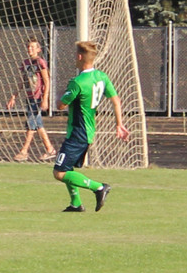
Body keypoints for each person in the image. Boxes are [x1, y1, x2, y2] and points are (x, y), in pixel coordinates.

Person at [51, 39, 129, 211]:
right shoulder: (101, 76)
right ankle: (76, 204)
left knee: (59, 172)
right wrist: (119, 124)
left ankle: (99, 187)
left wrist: (59, 94)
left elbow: (61, 105)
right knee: (68, 168)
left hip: (78, 132)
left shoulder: (78, 82)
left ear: (79, 57)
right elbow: (116, 100)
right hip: (88, 131)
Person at [5, 37, 54, 162]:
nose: (30, 49)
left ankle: (24, 151)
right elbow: (23, 81)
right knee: (37, 124)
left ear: (38, 49)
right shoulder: (25, 63)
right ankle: (50, 149)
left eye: (33, 47)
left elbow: (47, 81)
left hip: (38, 97)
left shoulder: (40, 62)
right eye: (28, 47)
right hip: (29, 97)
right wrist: (14, 96)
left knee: (31, 123)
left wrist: (45, 98)